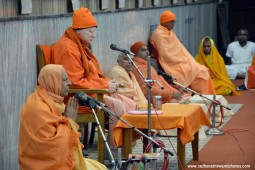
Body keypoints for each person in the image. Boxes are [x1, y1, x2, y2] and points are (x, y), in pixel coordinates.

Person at [51, 7, 137, 148]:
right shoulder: (68, 47)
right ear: (78, 30)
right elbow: (74, 83)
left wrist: (107, 83)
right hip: (75, 97)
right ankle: (112, 148)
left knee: (130, 103)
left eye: (94, 31)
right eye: (90, 32)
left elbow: (92, 75)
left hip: (89, 90)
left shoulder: (80, 44)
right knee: (117, 105)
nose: (94, 36)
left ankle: (125, 146)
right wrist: (104, 86)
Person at [18, 64, 107, 170]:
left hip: (55, 160)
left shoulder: (51, 102)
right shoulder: (38, 108)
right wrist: (70, 120)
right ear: (52, 82)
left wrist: (67, 120)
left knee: (99, 167)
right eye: (65, 80)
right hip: (42, 165)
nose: (70, 83)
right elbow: (53, 149)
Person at [149, 10, 215, 95]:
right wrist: (182, 60)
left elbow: (179, 49)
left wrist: (185, 59)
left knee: (202, 70)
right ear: (164, 22)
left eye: (174, 21)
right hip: (173, 65)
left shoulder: (169, 31)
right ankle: (204, 97)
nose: (174, 24)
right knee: (201, 73)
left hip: (181, 61)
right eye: (171, 22)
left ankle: (208, 97)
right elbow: (167, 55)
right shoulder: (159, 35)